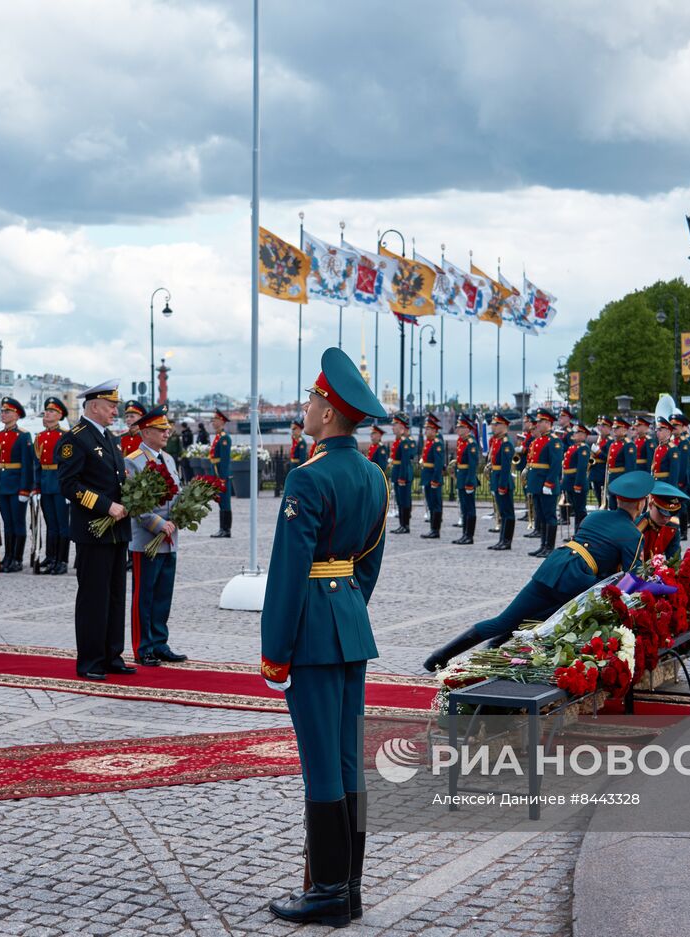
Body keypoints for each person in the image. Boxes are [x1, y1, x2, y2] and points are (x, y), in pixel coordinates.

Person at [260, 347, 388, 929]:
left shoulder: (307, 477)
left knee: (320, 766)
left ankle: (329, 892)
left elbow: (288, 572)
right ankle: (351, 887)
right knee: (346, 761)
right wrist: (347, 604)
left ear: (330, 413)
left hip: (310, 629)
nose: (308, 407)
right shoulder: (372, 475)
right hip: (350, 626)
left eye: (313, 400)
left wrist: (274, 649)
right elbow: (368, 564)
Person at [422, 470, 653, 672]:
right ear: (642, 503)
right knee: (547, 620)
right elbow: (631, 577)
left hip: (553, 565)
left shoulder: (594, 516)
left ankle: (439, 657)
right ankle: (500, 651)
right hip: (577, 579)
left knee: (504, 620)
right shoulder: (633, 535)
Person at [57, 380, 135, 680]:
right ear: (93, 406)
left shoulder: (110, 438)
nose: (116, 410)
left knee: (115, 595)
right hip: (93, 529)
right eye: (111, 405)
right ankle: (90, 660)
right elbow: (69, 485)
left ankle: (112, 655)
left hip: (118, 530)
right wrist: (105, 506)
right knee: (93, 597)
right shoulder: (76, 438)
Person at [125, 406, 189, 667]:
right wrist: (158, 523)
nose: (167, 433)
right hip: (147, 539)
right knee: (145, 595)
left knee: (163, 594)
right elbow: (134, 503)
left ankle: (160, 642)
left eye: (167, 429)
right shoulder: (134, 460)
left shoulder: (169, 459)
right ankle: (143, 646)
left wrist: (181, 514)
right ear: (147, 431)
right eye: (161, 430)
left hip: (170, 538)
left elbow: (177, 493)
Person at [0, 397, 35, 571]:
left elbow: (27, 465)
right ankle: (8, 557)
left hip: (17, 486)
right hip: (3, 485)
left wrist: (25, 489)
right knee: (7, 523)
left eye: (7, 411)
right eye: (2, 411)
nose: (4, 414)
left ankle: (17, 559)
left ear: (16, 414)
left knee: (18, 522)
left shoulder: (23, 436)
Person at [35, 397, 71, 574]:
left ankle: (62, 560)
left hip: (59, 484)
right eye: (46, 411)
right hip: (45, 483)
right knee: (50, 523)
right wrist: (36, 487)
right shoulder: (40, 437)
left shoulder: (65, 436)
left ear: (59, 415)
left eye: (51, 411)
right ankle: (51, 557)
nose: (47, 414)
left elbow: (69, 464)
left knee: (62, 524)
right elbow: (37, 464)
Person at [524, 408, 563, 557]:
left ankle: (549, 547)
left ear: (548, 422)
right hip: (536, 484)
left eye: (540, 421)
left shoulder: (554, 441)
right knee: (540, 515)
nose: (537, 424)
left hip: (547, 485)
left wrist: (549, 484)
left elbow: (555, 465)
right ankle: (542, 545)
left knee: (549, 516)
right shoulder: (538, 441)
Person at [638, 480, 686, 562]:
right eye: (661, 513)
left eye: (670, 513)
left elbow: (674, 561)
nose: (665, 518)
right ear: (650, 505)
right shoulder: (638, 527)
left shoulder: (672, 527)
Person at [486, 412, 514, 550]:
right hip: (497, 479)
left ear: (504, 426)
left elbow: (505, 466)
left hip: (504, 481)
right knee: (502, 512)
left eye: (496, 424)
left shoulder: (506, 443)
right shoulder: (496, 441)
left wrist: (502, 485)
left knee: (507, 513)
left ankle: (507, 541)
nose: (493, 427)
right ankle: (502, 540)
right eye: (493, 424)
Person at [451, 414, 480, 545]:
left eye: (460, 427)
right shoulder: (460, 441)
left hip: (467, 479)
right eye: (457, 427)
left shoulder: (471, 443)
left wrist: (469, 482)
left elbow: (472, 465)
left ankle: (470, 536)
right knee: (463, 508)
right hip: (461, 478)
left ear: (467, 428)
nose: (458, 429)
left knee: (469, 508)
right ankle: (464, 534)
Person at [388, 413, 416, 533]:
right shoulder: (399, 441)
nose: (392, 427)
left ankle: (406, 525)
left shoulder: (404, 441)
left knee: (404, 500)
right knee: (400, 500)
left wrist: (402, 477)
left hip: (402, 473)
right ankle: (402, 524)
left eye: (395, 425)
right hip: (398, 472)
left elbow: (405, 461)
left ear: (401, 426)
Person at [418, 414, 445, 539]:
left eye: (428, 429)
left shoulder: (437, 444)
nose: (426, 431)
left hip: (433, 478)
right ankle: (432, 528)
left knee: (435, 504)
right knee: (430, 503)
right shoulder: (429, 443)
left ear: (434, 431)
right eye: (426, 429)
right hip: (427, 476)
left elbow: (438, 465)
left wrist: (435, 479)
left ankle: (436, 530)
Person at [562, 422, 590, 536]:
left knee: (580, 511)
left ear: (584, 435)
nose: (575, 434)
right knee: (575, 510)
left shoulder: (583, 448)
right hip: (569, 482)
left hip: (577, 483)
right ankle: (576, 533)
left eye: (578, 432)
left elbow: (581, 468)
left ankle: (581, 534)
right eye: (575, 432)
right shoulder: (573, 447)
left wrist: (578, 484)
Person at [208, 409, 233, 538]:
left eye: (215, 420)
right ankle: (222, 528)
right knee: (221, 501)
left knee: (225, 502)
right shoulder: (218, 437)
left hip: (222, 475)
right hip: (217, 474)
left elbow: (224, 460)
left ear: (221, 421)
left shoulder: (224, 438)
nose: (213, 422)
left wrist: (222, 478)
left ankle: (226, 529)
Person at [672, 415, 690, 539]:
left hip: (681, 478)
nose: (673, 428)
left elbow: (682, 463)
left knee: (682, 506)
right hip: (673, 478)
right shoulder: (672, 441)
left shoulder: (684, 442)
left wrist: (680, 480)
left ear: (682, 427)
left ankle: (683, 532)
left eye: (676, 426)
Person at [604, 415, 635, 509]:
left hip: (621, 479)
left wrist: (627, 483)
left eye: (617, 428)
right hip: (612, 478)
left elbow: (630, 467)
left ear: (624, 429)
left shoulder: (628, 444)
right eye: (613, 428)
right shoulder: (613, 444)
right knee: (612, 507)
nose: (614, 430)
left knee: (621, 508)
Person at [588, 416, 610, 507]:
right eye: (600, 426)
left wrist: (598, 452)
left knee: (603, 496)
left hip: (602, 471)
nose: (600, 428)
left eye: (603, 426)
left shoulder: (609, 441)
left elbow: (608, 458)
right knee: (597, 494)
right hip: (595, 471)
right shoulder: (599, 440)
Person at [285, 417, 308, 492]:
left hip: (297, 466)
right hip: (293, 466)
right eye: (292, 429)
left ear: (299, 430)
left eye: (294, 429)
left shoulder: (301, 442)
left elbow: (302, 459)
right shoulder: (296, 441)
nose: (293, 431)